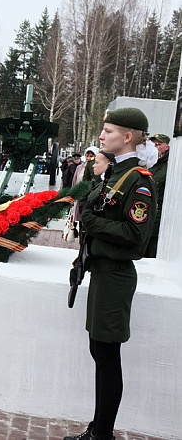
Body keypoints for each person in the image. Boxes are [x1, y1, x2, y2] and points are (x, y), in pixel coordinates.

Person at [66, 107, 158, 440]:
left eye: (108, 131)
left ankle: (101, 433)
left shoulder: (138, 180)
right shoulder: (116, 173)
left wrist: (91, 222)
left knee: (106, 355)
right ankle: (97, 428)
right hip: (103, 272)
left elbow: (136, 236)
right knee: (99, 351)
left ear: (128, 137)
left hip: (116, 275)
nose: (102, 136)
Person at [144, 133, 170, 258]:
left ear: (167, 147)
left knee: (151, 251)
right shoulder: (150, 164)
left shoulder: (168, 167)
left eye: (158, 145)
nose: (155, 147)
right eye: (153, 144)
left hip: (158, 215)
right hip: (145, 212)